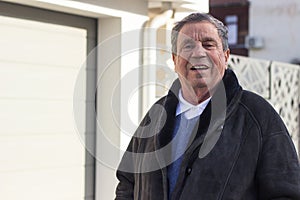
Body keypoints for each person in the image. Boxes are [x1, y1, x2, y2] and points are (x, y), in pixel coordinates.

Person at [115, 12, 300, 200]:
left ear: (225, 56)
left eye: (208, 44)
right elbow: (127, 183)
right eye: (188, 46)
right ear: (174, 59)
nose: (198, 53)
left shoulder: (258, 116)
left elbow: (286, 192)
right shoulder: (155, 117)